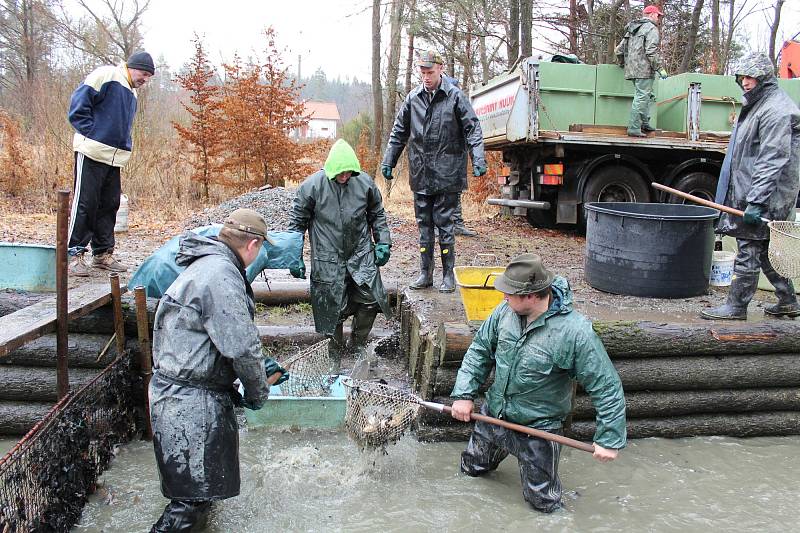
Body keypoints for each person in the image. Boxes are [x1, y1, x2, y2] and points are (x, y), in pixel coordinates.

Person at [450, 253, 626, 512]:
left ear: (531, 296)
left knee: (543, 504)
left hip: (539, 429)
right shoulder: (504, 312)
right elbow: (480, 351)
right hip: (495, 416)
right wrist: (464, 394)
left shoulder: (576, 333)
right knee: (471, 470)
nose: (503, 297)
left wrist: (609, 439)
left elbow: (606, 387)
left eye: (509, 293)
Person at [149, 208, 287, 532]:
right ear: (253, 245)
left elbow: (219, 340)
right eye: (262, 248)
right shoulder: (222, 275)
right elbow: (241, 347)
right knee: (189, 505)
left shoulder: (209, 265)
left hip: (184, 393)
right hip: (187, 401)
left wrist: (256, 370)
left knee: (200, 496)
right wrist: (258, 391)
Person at [701, 52, 800, 320]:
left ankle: (736, 306)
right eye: (742, 77)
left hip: (768, 196)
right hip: (758, 191)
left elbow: (772, 158)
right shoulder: (759, 105)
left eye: (750, 77)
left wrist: (756, 201)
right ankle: (788, 301)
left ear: (764, 79)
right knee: (765, 249)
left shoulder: (775, 110)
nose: (745, 82)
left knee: (749, 247)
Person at [381, 49, 486, 292]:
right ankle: (425, 273)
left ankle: (448, 275)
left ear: (440, 69)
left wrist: (478, 159)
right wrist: (389, 160)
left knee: (444, 224)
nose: (426, 77)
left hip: (448, 173)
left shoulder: (455, 97)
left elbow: (473, 129)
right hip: (420, 173)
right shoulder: (413, 98)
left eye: (430, 72)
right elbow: (399, 132)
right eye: (422, 72)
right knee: (424, 225)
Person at [288, 139, 392, 372]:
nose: (345, 177)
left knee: (371, 298)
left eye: (348, 173)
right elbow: (296, 225)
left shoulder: (365, 183)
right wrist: (294, 256)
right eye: (340, 173)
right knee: (330, 305)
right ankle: (333, 353)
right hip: (327, 256)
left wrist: (383, 242)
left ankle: (358, 344)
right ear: (331, 169)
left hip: (360, 253)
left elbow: (377, 214)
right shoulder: (311, 187)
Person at [67, 51, 155, 276]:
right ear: (131, 66)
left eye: (149, 76)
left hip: (115, 157)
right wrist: (93, 133)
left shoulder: (132, 93)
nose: (145, 79)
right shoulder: (106, 75)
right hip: (92, 151)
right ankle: (74, 254)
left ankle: (102, 254)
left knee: (109, 205)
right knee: (85, 203)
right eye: (143, 73)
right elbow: (78, 107)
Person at [614, 5, 667, 137]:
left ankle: (644, 123)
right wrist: (660, 68)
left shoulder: (632, 29)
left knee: (646, 95)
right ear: (650, 14)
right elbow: (650, 51)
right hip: (644, 70)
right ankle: (634, 128)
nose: (659, 18)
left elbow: (619, 50)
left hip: (632, 70)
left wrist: (622, 63)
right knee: (642, 97)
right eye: (657, 15)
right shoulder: (651, 29)